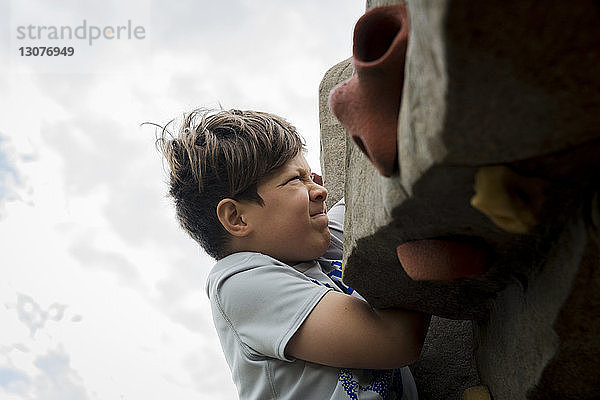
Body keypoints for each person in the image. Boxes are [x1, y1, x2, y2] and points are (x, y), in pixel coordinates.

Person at [156, 108, 429, 399]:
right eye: (295, 180)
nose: (320, 189)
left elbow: (369, 198)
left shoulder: (315, 248)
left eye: (312, 176)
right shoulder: (238, 282)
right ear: (237, 218)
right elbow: (394, 340)